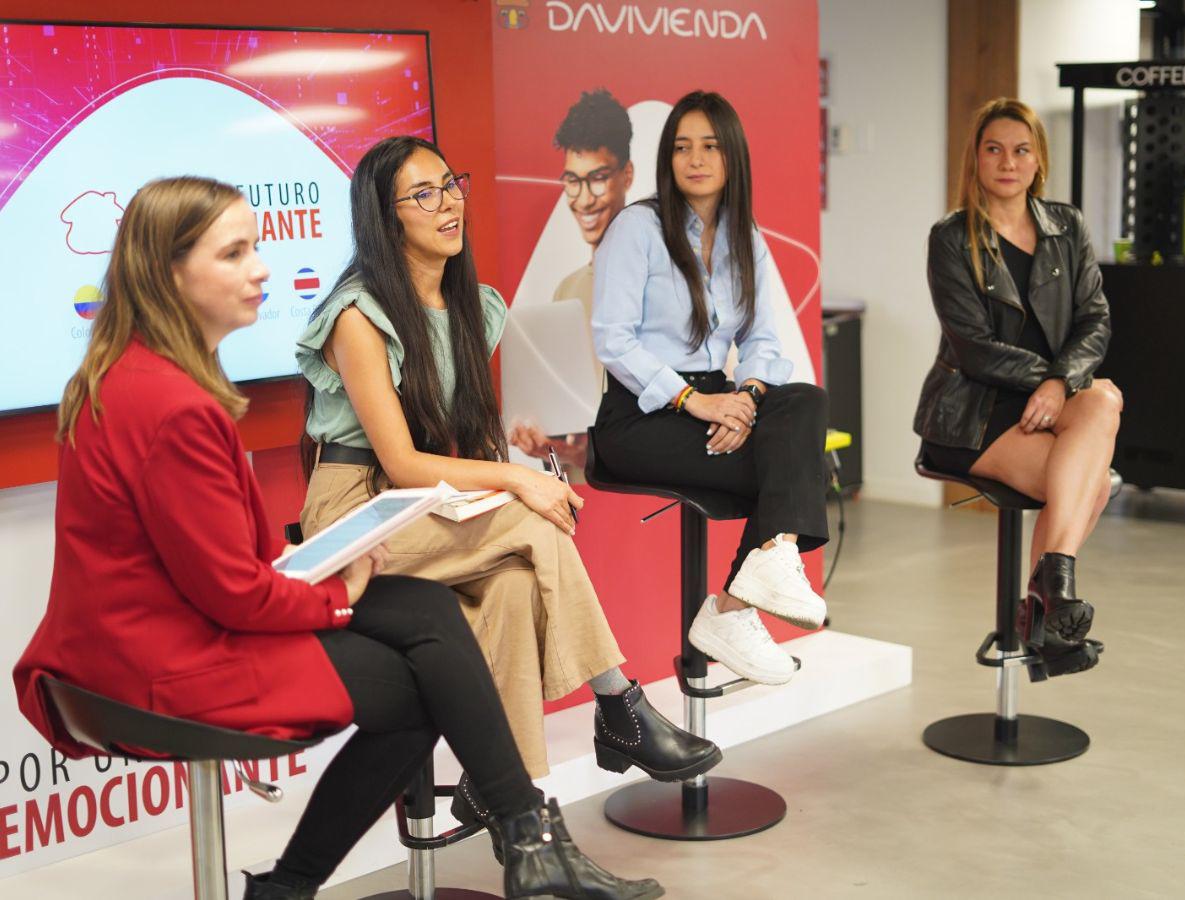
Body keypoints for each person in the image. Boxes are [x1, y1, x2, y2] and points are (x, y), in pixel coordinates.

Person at [11, 176, 662, 900]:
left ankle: (526, 842)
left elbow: (208, 565)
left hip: (143, 632)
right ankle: (501, 846)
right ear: (169, 274)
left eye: (254, 246)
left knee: (429, 612)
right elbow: (231, 594)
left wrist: (325, 579)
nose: (262, 268)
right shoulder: (172, 406)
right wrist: (337, 593)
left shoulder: (128, 374)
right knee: (425, 684)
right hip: (162, 658)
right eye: (234, 254)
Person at [296, 136, 720, 831]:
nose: (448, 204)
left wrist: (527, 457)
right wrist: (516, 487)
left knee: (517, 584)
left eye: (450, 183)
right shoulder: (357, 315)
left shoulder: (472, 306)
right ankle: (621, 707)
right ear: (385, 216)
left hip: (424, 505)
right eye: (423, 194)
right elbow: (401, 461)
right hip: (357, 513)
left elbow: (466, 433)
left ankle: (510, 803)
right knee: (531, 520)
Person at [591, 90, 831, 687]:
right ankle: (739, 604)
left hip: (720, 400)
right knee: (791, 469)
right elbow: (613, 340)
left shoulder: (744, 238)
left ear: (733, 158)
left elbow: (765, 343)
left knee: (806, 400)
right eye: (681, 147)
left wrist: (746, 401)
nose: (695, 159)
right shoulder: (637, 228)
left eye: (710, 146)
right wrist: (694, 402)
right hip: (641, 416)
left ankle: (736, 603)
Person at [914, 97, 1122, 678]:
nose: (1008, 161)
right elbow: (972, 345)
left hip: (1050, 400)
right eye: (994, 149)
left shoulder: (1067, 226)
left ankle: (1046, 601)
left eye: (1021, 150)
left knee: (1102, 397)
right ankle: (1045, 616)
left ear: (1038, 160)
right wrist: (1052, 385)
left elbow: (1095, 321)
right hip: (973, 413)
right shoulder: (951, 238)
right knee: (1093, 480)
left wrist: (1059, 384)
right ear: (976, 160)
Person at [509, 88, 635, 477]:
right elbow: (566, 417)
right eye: (572, 181)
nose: (584, 199)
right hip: (585, 486)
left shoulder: (663, 280)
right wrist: (547, 441)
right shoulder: (569, 290)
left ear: (626, 175)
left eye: (597, 179)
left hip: (644, 487)